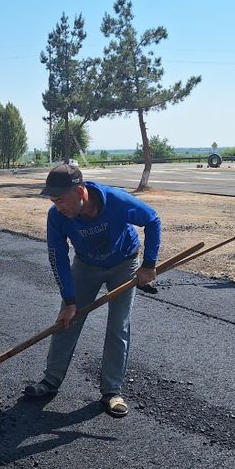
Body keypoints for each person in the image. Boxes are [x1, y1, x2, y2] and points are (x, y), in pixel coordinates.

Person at [24, 164, 160, 418]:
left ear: (80, 192)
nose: (57, 206)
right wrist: (69, 300)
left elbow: (152, 220)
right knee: (67, 320)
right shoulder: (57, 217)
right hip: (85, 265)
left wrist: (149, 265)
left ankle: (112, 391)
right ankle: (50, 381)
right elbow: (57, 256)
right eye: (53, 201)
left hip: (123, 263)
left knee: (118, 324)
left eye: (61, 200)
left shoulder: (116, 201)